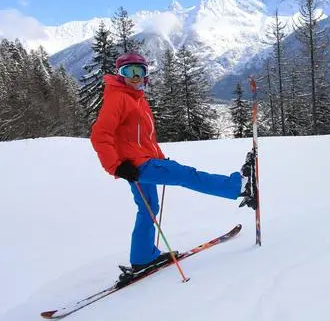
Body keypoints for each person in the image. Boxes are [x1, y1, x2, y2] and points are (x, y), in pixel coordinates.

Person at [90, 52, 255, 273]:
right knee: (187, 175)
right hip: (137, 167)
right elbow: (100, 135)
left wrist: (156, 158)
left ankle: (142, 257)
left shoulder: (136, 99)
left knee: (148, 209)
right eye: (128, 71)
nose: (135, 76)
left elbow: (141, 139)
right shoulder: (118, 97)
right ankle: (237, 186)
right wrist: (116, 166)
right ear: (120, 75)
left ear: (146, 75)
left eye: (140, 71)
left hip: (140, 164)